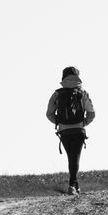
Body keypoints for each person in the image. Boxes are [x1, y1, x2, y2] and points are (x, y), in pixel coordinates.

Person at [46, 66, 96, 195]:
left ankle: (74, 185)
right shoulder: (82, 93)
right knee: (75, 158)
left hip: (64, 131)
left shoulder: (57, 94)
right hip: (78, 130)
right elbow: (91, 113)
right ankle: (72, 185)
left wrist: (59, 122)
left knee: (71, 157)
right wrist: (84, 123)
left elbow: (49, 114)